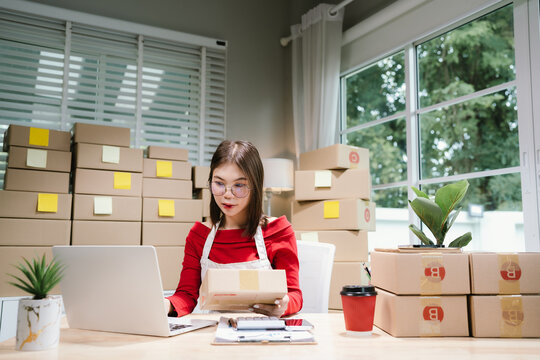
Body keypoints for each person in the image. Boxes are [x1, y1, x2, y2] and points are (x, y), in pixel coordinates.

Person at [164, 140, 302, 318]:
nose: (227, 194)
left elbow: (294, 295)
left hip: (264, 335)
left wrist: (284, 304)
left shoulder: (278, 231)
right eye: (219, 183)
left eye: (239, 185)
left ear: (255, 187)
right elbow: (186, 295)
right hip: (214, 334)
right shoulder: (199, 235)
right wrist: (165, 304)